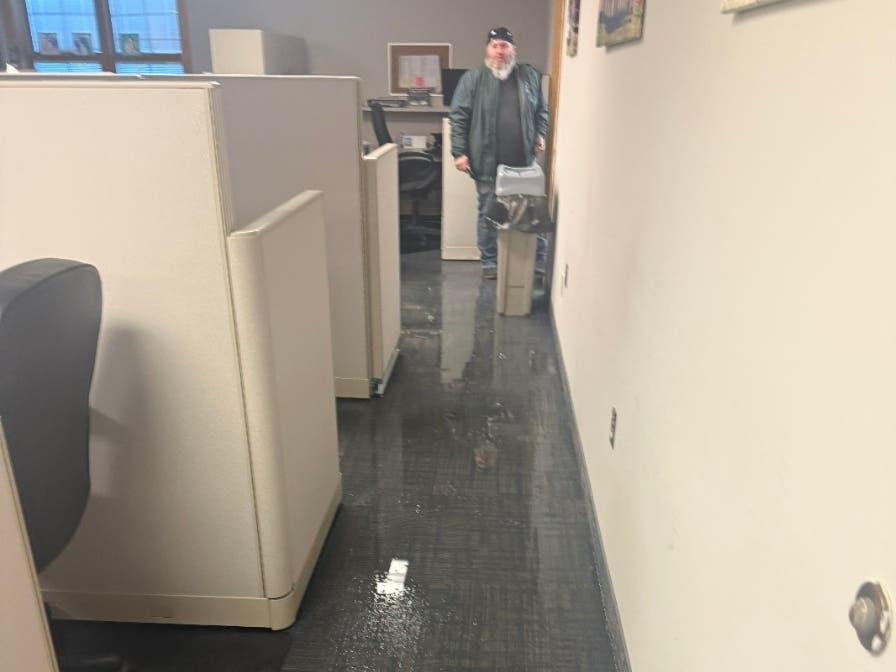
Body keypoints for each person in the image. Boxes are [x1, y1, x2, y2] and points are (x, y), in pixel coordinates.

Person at [449, 26, 550, 279]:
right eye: (495, 46)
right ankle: (490, 263)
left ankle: (536, 262)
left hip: (523, 161)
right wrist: (459, 152)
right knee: (488, 212)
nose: (499, 51)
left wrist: (540, 134)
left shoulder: (529, 77)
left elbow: (541, 111)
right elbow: (459, 116)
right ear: (487, 49)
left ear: (513, 49)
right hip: (486, 161)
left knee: (530, 211)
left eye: (504, 46)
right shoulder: (473, 78)